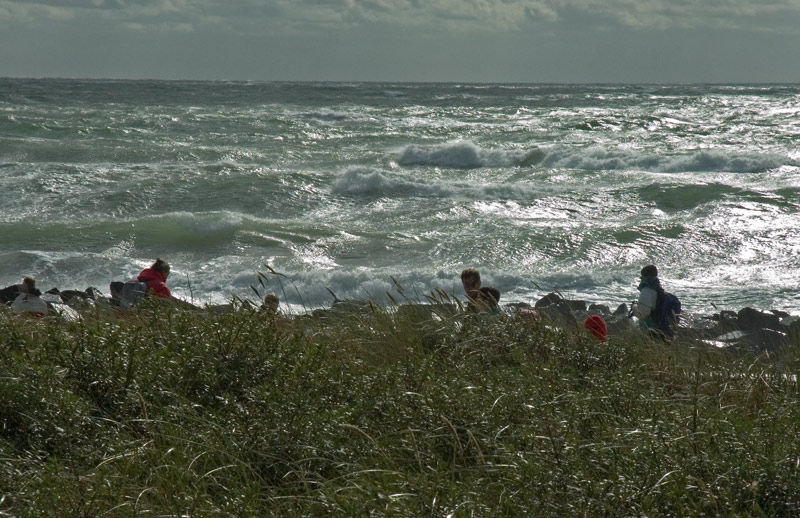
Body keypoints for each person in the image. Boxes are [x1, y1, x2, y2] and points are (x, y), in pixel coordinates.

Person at [635, 264, 680, 339]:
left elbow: (643, 314)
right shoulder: (659, 290)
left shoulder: (646, 291)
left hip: (651, 332)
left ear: (643, 277)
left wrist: (634, 307)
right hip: (665, 330)